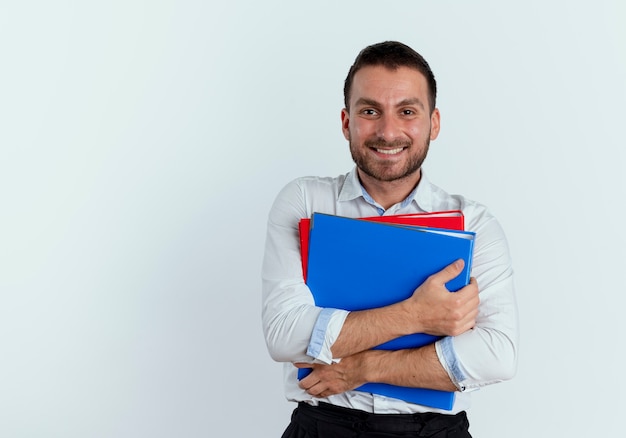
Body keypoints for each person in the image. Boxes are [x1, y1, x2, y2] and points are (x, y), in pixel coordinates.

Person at [262, 41, 519, 437]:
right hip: (322, 427)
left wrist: (364, 367)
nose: (387, 131)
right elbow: (285, 335)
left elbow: (495, 355)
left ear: (433, 122)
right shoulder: (304, 203)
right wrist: (418, 316)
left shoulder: (476, 224)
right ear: (347, 122)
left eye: (407, 111)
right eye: (370, 111)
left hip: (435, 431)